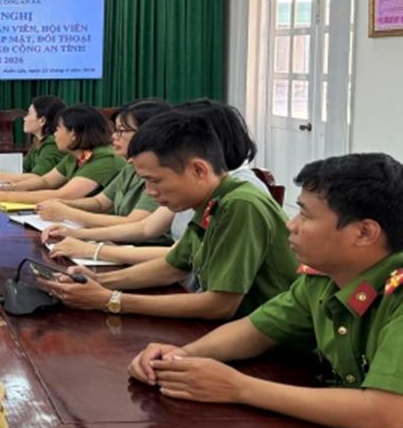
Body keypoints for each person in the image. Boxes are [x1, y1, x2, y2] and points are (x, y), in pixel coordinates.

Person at [128, 153, 403, 428]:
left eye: (305, 215)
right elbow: (257, 330)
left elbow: (387, 416)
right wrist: (181, 357)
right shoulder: (323, 279)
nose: (291, 225)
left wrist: (238, 388)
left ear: (364, 233)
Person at [38, 111, 297, 320]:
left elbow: (221, 304)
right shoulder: (209, 201)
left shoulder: (240, 204)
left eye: (155, 181)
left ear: (198, 170)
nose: (150, 192)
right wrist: (99, 280)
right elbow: (172, 266)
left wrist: (111, 300)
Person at [43, 99, 268, 265]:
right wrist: (79, 236)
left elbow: (177, 257)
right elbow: (146, 229)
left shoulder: (236, 196)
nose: (151, 190)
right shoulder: (195, 186)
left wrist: (95, 251)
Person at [36, 98, 172, 234]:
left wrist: (68, 213)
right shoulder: (130, 167)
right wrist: (63, 204)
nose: (114, 136)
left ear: (147, 134)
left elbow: (136, 224)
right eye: (115, 130)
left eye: (121, 131)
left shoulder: (160, 172)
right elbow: (100, 202)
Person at [0, 105, 124, 203]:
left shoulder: (104, 159)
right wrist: (3, 189)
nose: (55, 134)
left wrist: (5, 197)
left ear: (73, 134)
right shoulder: (74, 156)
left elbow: (64, 195)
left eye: (58, 128)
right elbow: (45, 181)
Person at [0, 96, 68, 181]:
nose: (25, 118)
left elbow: (37, 178)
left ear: (42, 120)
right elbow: (23, 167)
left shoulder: (52, 145)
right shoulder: (38, 141)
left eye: (29, 114)